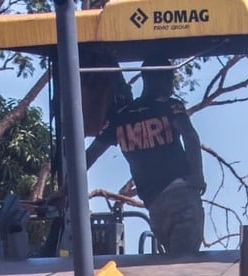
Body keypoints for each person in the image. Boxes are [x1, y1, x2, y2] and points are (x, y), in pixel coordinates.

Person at [85, 66, 205, 257]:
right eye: (169, 79)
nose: (171, 85)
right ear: (161, 79)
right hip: (181, 197)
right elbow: (190, 136)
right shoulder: (171, 105)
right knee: (184, 265)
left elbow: (90, 155)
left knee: (174, 260)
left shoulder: (120, 116)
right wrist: (197, 177)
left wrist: (65, 190)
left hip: (155, 206)